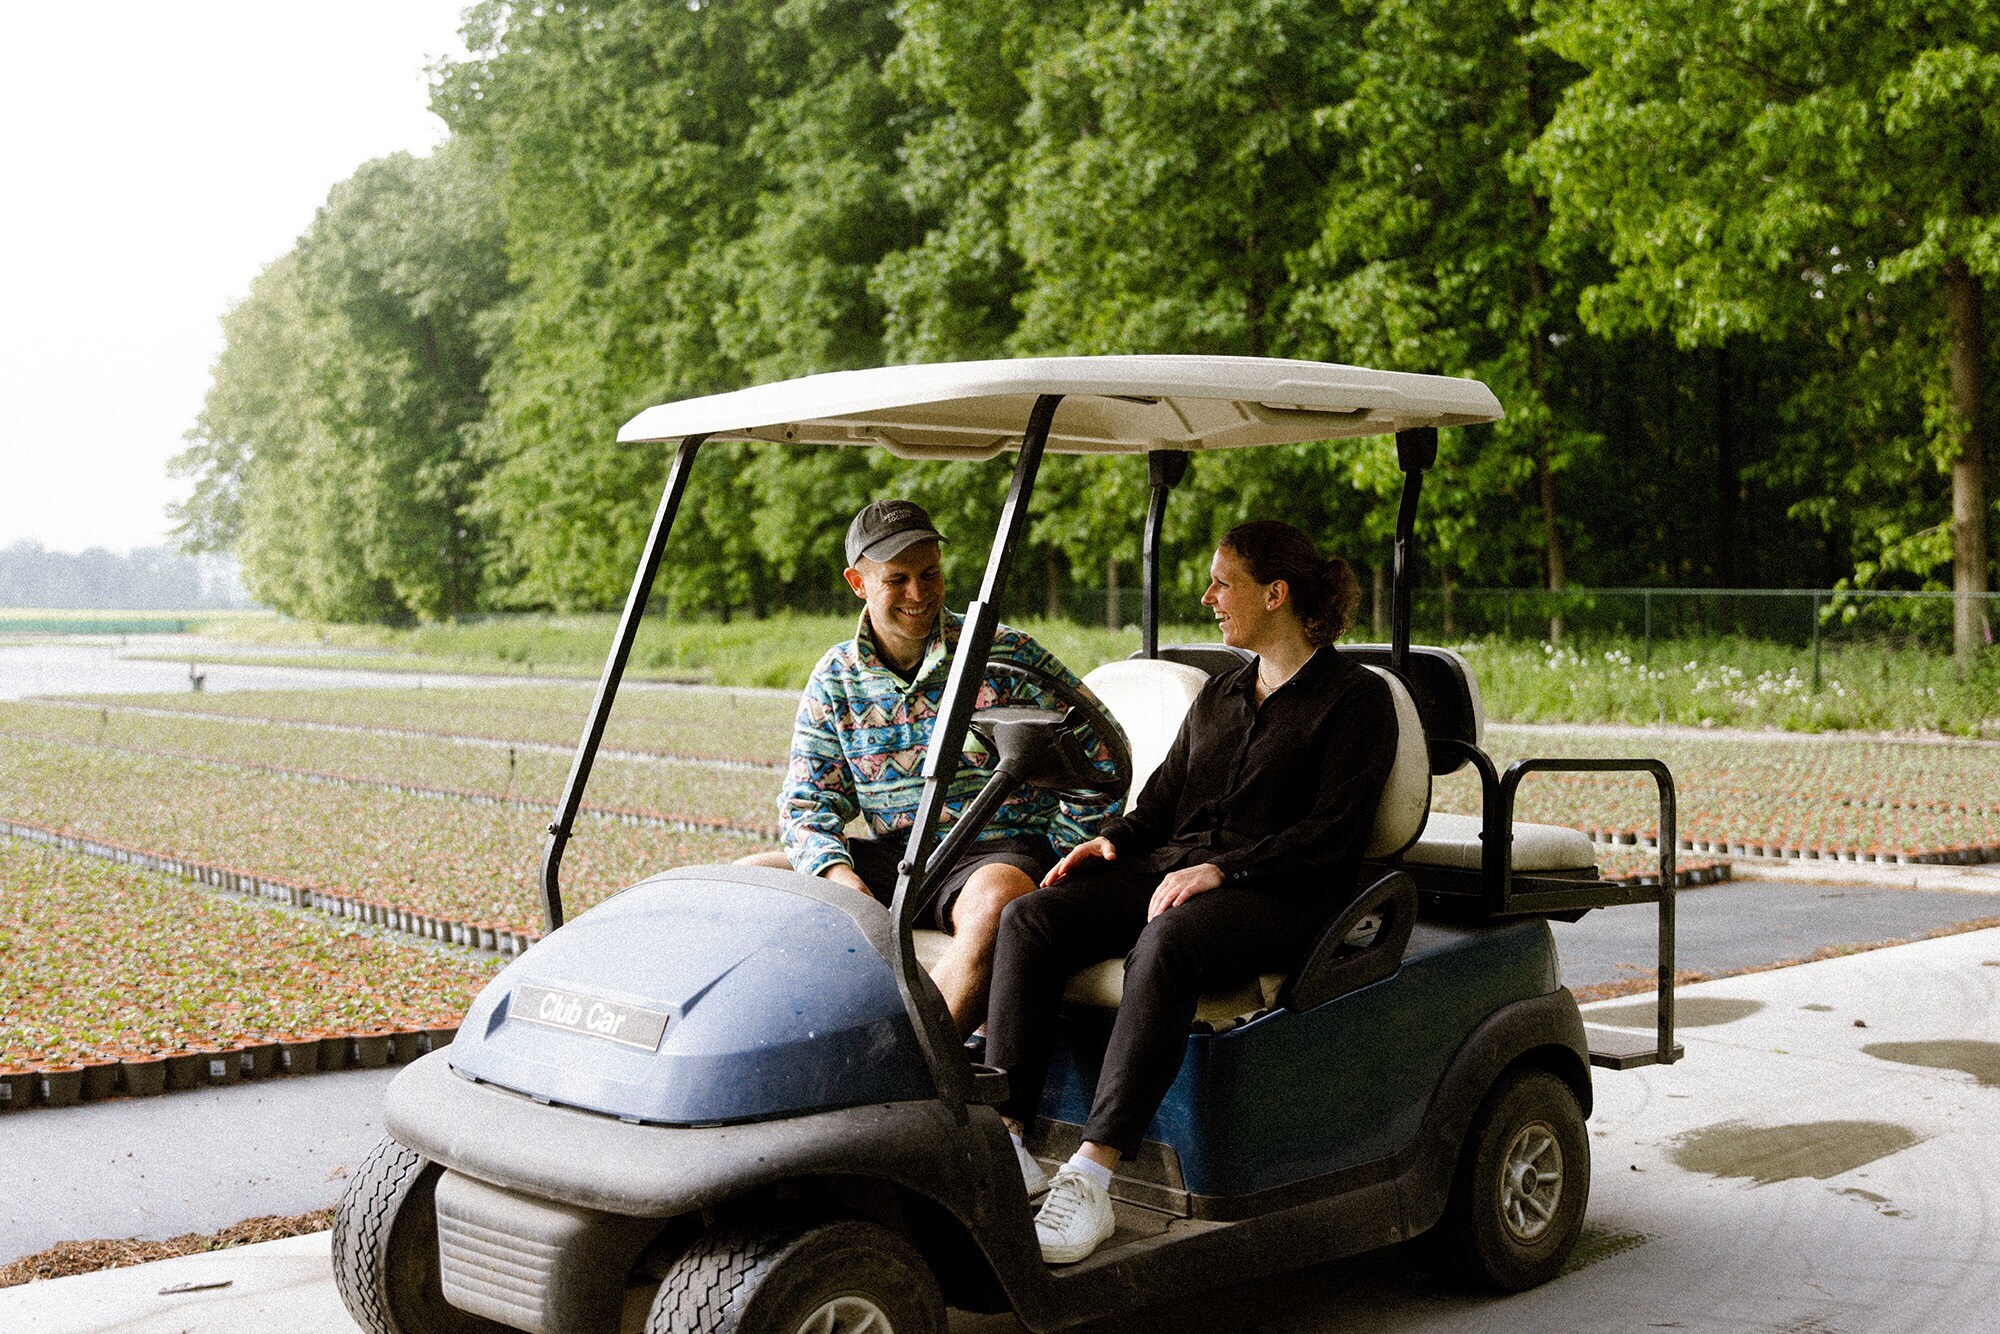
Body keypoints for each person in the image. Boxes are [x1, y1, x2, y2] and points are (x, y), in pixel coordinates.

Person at [983, 520, 1398, 1264]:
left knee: (1166, 941)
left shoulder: (1355, 701)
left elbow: (1332, 835)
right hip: (1181, 871)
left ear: (1275, 595)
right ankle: (1010, 1142)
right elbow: (1164, 799)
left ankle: (1093, 1175)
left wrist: (1225, 870)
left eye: (1222, 583)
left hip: (1285, 893)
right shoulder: (1222, 693)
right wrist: (1113, 840)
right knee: (1030, 918)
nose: (1209, 597)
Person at [740, 498, 1126, 1038]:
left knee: (996, 904)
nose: (919, 594)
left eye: (930, 574)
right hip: (900, 853)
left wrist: (1065, 850)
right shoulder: (836, 678)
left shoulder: (1002, 653)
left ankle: (909, 1073)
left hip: (993, 852)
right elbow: (808, 803)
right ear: (858, 583)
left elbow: (1104, 752)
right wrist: (837, 875)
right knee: (748, 881)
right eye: (897, 579)